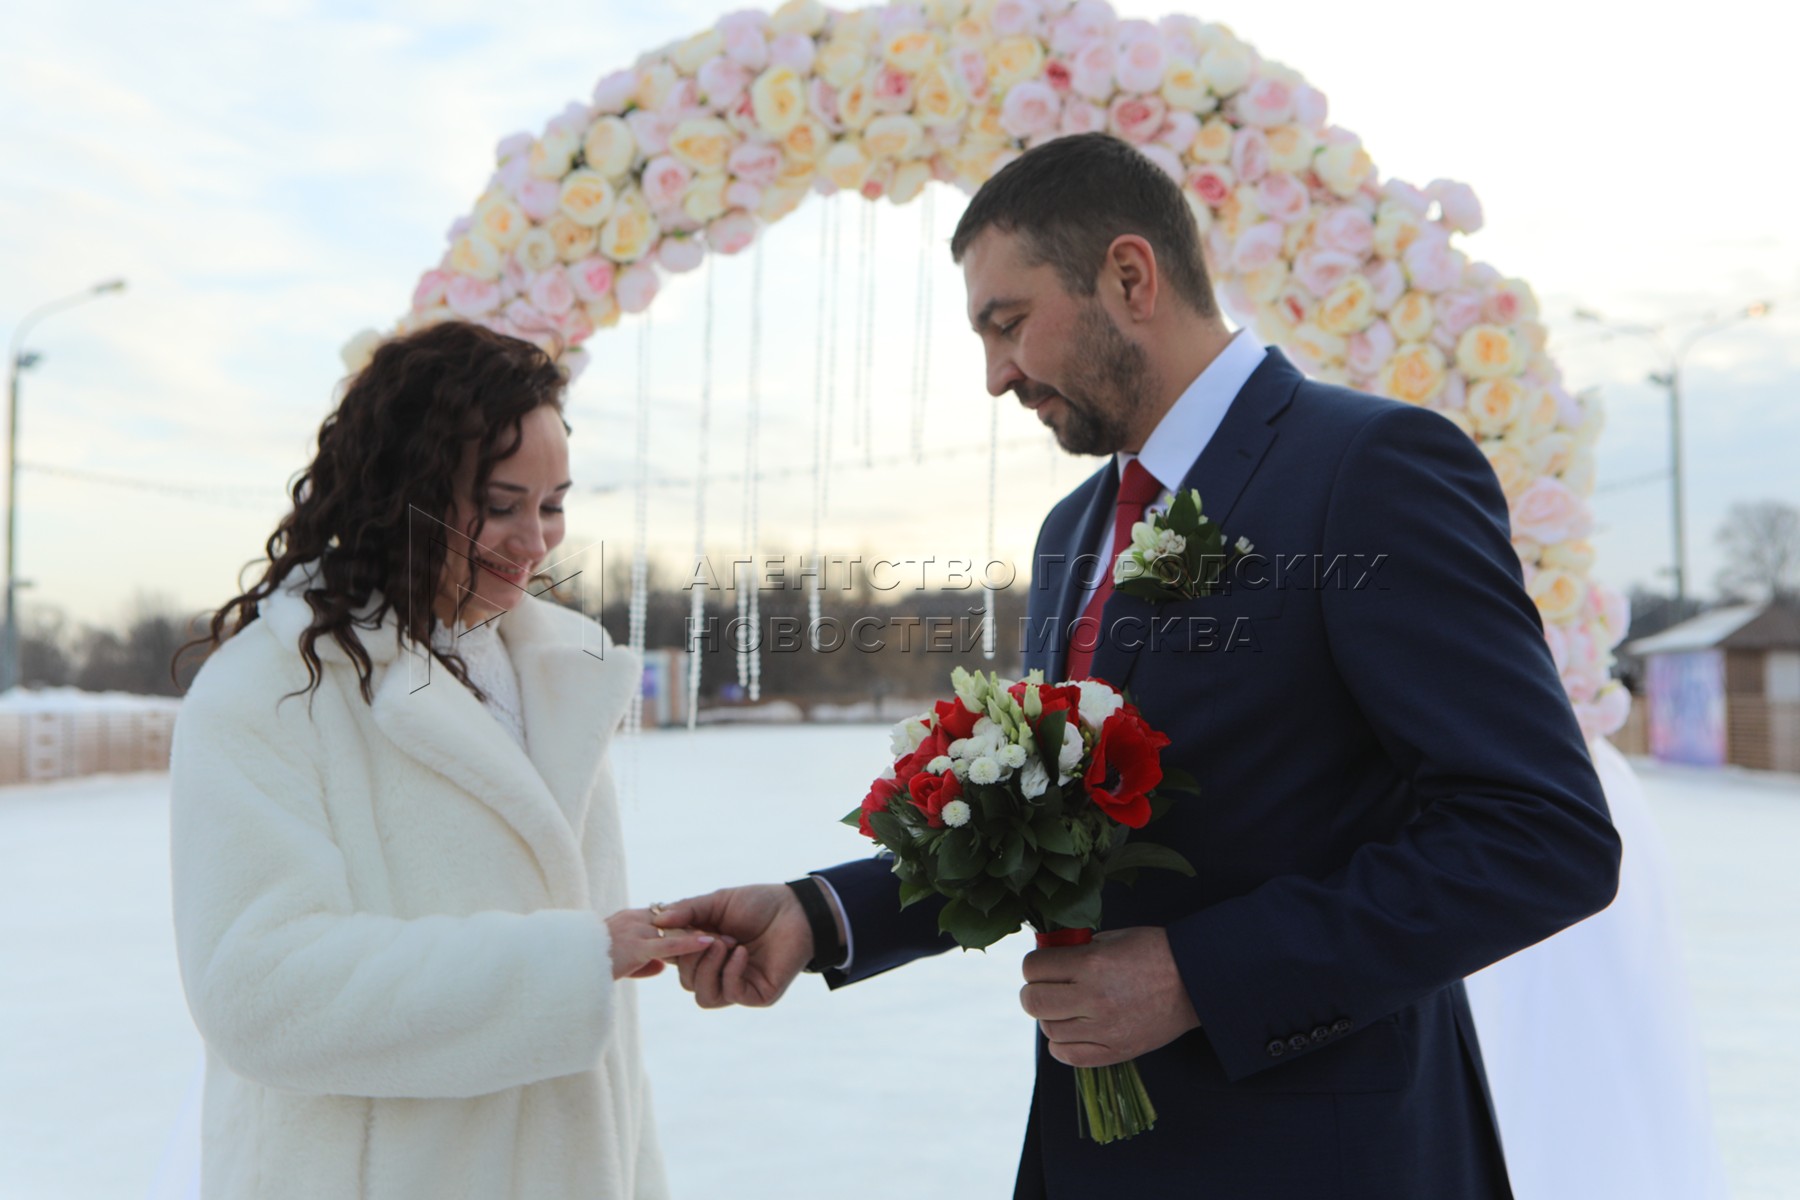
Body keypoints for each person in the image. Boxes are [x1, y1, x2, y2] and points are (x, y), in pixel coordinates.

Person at [655, 133, 1622, 1198]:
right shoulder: (1073, 531)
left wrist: (1200, 978)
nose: (995, 376)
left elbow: (1540, 835)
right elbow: (1046, 818)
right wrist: (821, 916)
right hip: (1094, 1157)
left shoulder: (1369, 469)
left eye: (1008, 324)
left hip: (1323, 1157)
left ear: (1129, 277)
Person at [168, 321, 711, 1200]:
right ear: (399, 491)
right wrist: (570, 963)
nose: (535, 541)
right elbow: (259, 990)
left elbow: (611, 1063)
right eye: (499, 504)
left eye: (554, 503)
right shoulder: (268, 691)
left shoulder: (557, 675)